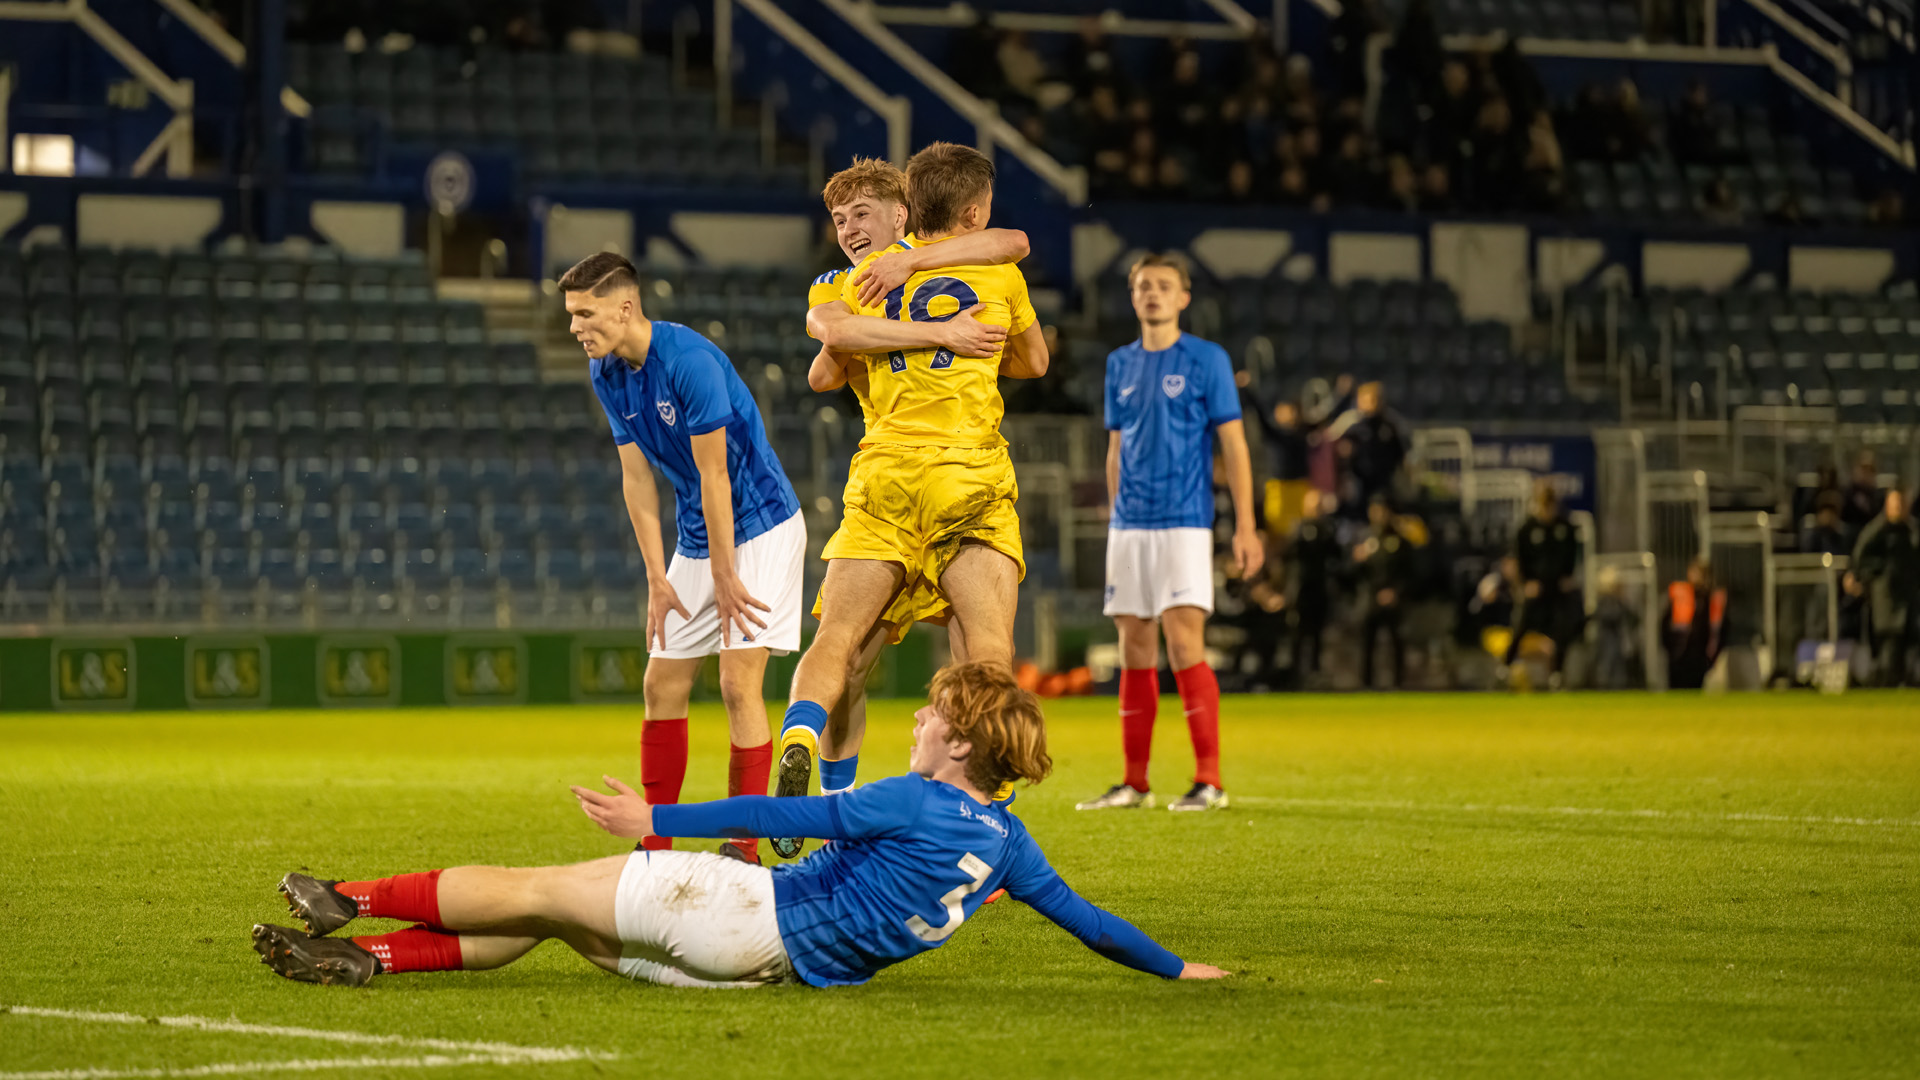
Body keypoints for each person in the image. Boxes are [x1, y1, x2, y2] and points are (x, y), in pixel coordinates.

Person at [249, 663, 1229, 989]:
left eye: (936, 715)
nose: (922, 720)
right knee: (554, 921)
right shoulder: (1008, 845)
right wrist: (1181, 968)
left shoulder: (917, 797)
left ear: (964, 746)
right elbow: (1091, 923)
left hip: (742, 910)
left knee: (531, 884)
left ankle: (348, 900)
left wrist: (655, 818)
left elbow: (777, 810)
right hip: (773, 973)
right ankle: (373, 957)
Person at [776, 142, 1050, 856]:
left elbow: (827, 357)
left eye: (860, 213)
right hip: (970, 477)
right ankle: (981, 820)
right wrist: (953, 336)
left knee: (840, 644)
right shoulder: (993, 271)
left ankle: (811, 757)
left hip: (885, 481)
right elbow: (1034, 353)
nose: (847, 228)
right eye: (838, 218)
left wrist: (853, 340)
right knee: (984, 654)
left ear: (903, 211)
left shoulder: (844, 283)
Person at [567, 252, 803, 865]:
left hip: (762, 527)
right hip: (699, 538)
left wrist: (725, 576)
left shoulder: (689, 361)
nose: (574, 327)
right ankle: (655, 844)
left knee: (735, 681)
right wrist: (656, 576)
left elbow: (715, 473)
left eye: (584, 313)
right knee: (662, 682)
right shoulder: (605, 373)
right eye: (570, 315)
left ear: (625, 307)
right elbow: (637, 480)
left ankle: (743, 847)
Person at [1077, 253, 1261, 813]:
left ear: (1183, 297)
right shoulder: (1118, 365)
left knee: (1184, 646)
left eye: (1164, 286)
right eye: (1143, 286)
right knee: (1134, 648)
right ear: (1132, 297)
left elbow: (1234, 445)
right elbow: (1114, 449)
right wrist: (1116, 516)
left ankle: (1209, 781)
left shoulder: (1207, 359)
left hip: (1184, 523)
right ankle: (1135, 784)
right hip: (1130, 526)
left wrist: (1246, 526)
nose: (1152, 294)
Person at [1500, 483, 1581, 689]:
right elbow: (1520, 558)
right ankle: (1504, 667)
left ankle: (1557, 673)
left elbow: (1572, 554)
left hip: (1558, 588)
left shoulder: (1565, 527)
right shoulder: (1527, 529)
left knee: (1562, 629)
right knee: (1521, 626)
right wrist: (1525, 583)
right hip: (1535, 588)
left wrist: (1568, 577)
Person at [1850, 488, 1919, 687]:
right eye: (1895, 504)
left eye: (1902, 504)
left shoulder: (1911, 531)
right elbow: (1860, 558)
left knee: (1906, 642)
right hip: (1886, 596)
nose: (1899, 509)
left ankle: (1903, 680)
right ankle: (1886, 681)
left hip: (1909, 597)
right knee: (1889, 641)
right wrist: (1874, 576)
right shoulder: (1877, 531)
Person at [1354, 496, 1412, 689]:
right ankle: (1366, 684)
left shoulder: (1399, 539)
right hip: (1370, 597)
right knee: (1367, 643)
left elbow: (1409, 571)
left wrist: (1396, 591)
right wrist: (1356, 560)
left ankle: (1399, 683)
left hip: (1393, 598)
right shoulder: (1366, 538)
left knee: (1396, 642)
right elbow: (1351, 574)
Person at [1283, 488, 1340, 686]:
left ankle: (1315, 673)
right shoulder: (1299, 529)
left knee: (1317, 633)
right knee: (1298, 633)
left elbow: (1336, 557)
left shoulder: (1327, 529)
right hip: (1301, 589)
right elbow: (1289, 556)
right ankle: (1295, 674)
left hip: (1320, 589)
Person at [1325, 381, 1407, 511]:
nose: (1370, 404)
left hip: (1383, 483)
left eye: (1374, 399)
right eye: (1366, 400)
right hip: (1357, 484)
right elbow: (1330, 448)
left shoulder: (1390, 424)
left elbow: (1401, 452)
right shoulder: (1349, 423)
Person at [1663, 557, 1725, 689]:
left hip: (1700, 655)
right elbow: (1664, 623)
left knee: (1695, 687)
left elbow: (1720, 628)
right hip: (1679, 653)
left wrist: (1711, 656)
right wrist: (1670, 649)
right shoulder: (1680, 595)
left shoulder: (1711, 598)